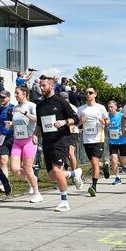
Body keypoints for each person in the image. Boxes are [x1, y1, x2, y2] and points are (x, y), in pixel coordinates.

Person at [35, 74, 82, 212]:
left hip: (61, 140)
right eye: (40, 85)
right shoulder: (40, 105)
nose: (41, 88)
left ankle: (64, 201)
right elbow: (39, 123)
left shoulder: (61, 102)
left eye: (43, 85)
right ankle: (74, 174)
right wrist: (34, 135)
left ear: (52, 86)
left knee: (57, 170)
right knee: (52, 176)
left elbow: (76, 119)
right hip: (47, 142)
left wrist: (64, 122)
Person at [5, 86, 42, 203]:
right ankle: (32, 180)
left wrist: (25, 113)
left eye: (17, 93)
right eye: (15, 93)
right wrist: (11, 124)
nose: (15, 95)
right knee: (15, 169)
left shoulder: (31, 106)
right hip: (17, 140)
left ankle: (37, 193)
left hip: (29, 140)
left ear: (24, 93)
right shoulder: (15, 107)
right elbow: (18, 123)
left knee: (27, 168)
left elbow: (37, 120)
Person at [77, 86, 110, 197]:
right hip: (87, 140)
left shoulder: (100, 108)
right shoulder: (81, 109)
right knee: (93, 163)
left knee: (95, 162)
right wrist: (81, 121)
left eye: (90, 92)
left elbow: (107, 121)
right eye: (86, 93)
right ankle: (104, 167)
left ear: (95, 94)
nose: (88, 95)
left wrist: (103, 122)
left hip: (98, 139)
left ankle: (94, 186)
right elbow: (76, 123)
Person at [0, 90, 15, 192]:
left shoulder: (13, 108)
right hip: (3, 139)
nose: (1, 99)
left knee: (19, 166)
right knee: (3, 161)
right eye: (0, 97)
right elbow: (0, 123)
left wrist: (11, 123)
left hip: (14, 138)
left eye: (3, 97)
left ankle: (32, 182)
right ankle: (4, 184)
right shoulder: (1, 109)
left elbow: (19, 123)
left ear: (8, 98)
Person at [107, 100, 126, 185]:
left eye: (111, 107)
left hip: (122, 141)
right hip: (112, 142)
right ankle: (117, 177)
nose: (110, 109)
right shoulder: (107, 116)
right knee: (113, 159)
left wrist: (123, 132)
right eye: (109, 107)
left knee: (124, 161)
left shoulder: (121, 116)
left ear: (116, 107)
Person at [60, 92, 79, 172]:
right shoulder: (59, 107)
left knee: (71, 153)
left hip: (72, 131)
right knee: (62, 154)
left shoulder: (73, 107)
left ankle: (76, 175)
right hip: (62, 132)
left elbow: (76, 120)